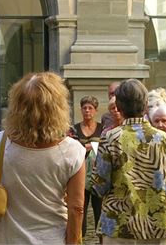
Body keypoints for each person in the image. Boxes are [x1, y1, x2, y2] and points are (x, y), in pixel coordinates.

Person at [0, 72, 86, 244]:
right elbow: (76, 208)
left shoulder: (1, 143)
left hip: (10, 239)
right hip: (53, 238)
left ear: (17, 107)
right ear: (58, 108)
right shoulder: (72, 151)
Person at [92, 78, 166, 244]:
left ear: (118, 106)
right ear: (146, 105)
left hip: (119, 224)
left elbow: (100, 186)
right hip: (157, 223)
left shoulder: (111, 138)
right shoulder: (164, 139)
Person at [70, 95, 103, 238]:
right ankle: (79, 238)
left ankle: (101, 239)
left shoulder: (102, 128)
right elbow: (71, 148)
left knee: (99, 210)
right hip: (79, 173)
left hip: (98, 174)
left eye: (90, 108)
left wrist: (90, 146)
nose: (87, 111)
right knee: (80, 209)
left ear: (95, 110)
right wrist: (90, 146)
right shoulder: (75, 129)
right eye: (84, 108)